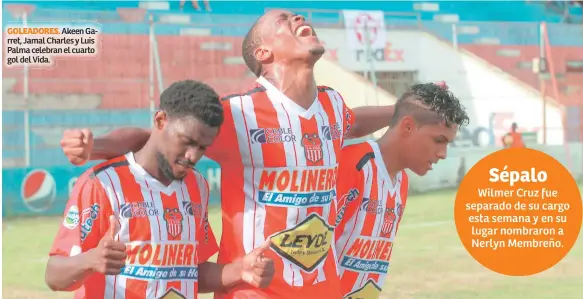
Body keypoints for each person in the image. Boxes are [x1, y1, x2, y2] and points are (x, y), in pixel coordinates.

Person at [59, 10, 397, 299]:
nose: (298, 17)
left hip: (323, 284)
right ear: (263, 53)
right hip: (255, 289)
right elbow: (154, 138)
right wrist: (95, 147)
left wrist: (402, 109)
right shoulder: (240, 113)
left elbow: (352, 122)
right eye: (283, 19)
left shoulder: (332, 105)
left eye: (296, 14)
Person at [46, 80, 275, 299]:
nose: (192, 156)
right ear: (160, 120)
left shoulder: (197, 186)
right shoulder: (102, 183)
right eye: (186, 141)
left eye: (202, 148)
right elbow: (53, 275)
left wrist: (240, 270)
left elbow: (189, 272)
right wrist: (89, 260)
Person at [334, 83, 470, 298]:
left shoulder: (401, 182)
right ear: (407, 127)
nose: (443, 154)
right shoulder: (354, 165)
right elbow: (314, 255)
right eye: (438, 140)